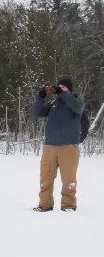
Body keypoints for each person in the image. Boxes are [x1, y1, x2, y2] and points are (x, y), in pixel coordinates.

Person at [33, 78, 84, 212]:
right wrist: (41, 96)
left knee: (69, 178)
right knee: (46, 177)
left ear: (69, 89)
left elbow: (78, 108)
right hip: (50, 146)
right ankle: (45, 204)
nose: (60, 88)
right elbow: (37, 113)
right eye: (59, 86)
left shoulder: (76, 101)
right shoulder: (54, 104)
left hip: (69, 146)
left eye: (63, 86)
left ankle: (68, 204)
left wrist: (63, 93)